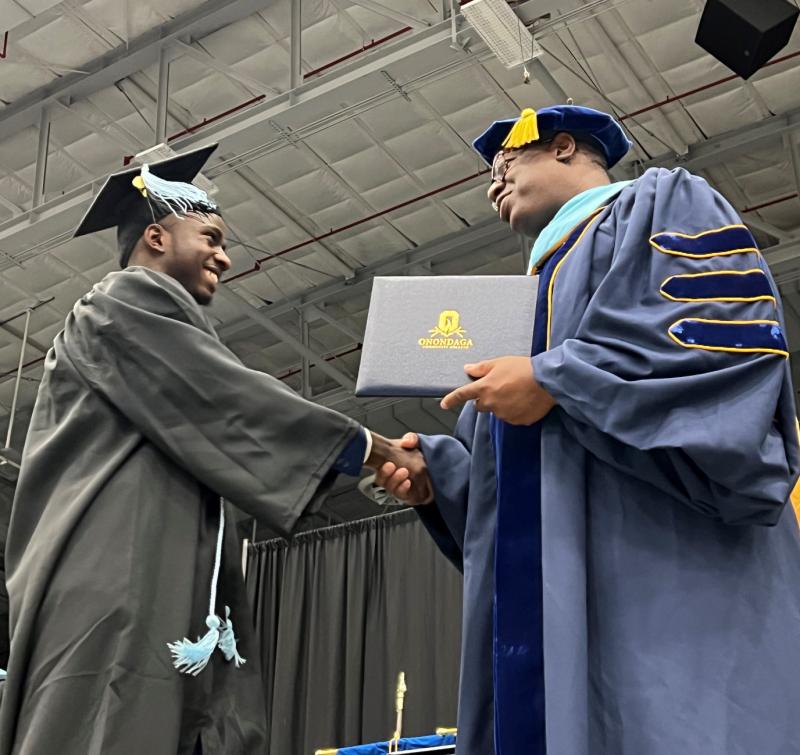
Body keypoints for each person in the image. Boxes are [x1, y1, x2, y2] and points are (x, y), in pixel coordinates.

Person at [376, 105, 800, 755]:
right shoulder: (517, 312)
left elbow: (718, 346)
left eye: (507, 162)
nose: (493, 184)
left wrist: (555, 380)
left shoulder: (659, 204)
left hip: (664, 580)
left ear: (565, 147)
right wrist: (443, 478)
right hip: (563, 599)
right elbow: (525, 494)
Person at [0, 145, 431, 755]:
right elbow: (228, 395)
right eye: (211, 238)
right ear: (156, 236)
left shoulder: (152, 324)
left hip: (159, 567)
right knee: (114, 718)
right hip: (114, 572)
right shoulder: (116, 304)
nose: (225, 257)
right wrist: (374, 448)